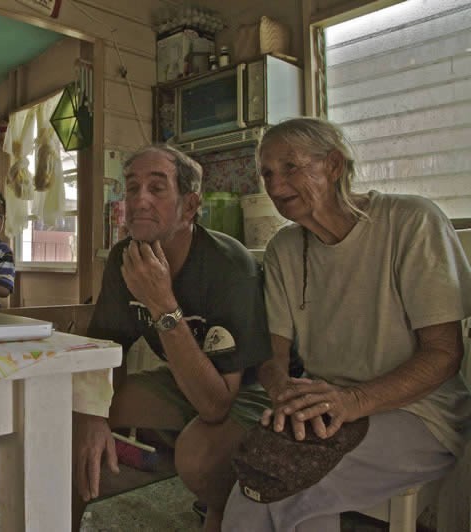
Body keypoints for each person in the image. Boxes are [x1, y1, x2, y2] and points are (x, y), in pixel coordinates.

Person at [223, 117, 471, 531]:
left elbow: (445, 355)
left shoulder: (411, 222)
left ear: (334, 165)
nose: (275, 183)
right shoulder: (285, 248)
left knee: (281, 484)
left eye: (290, 167)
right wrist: (285, 394)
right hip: (328, 410)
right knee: (261, 480)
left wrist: (350, 402)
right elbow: (273, 352)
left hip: (422, 415)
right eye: (267, 172)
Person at [73, 144, 275, 531]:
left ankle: (220, 509)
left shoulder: (229, 266)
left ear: (190, 205)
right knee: (75, 418)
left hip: (247, 390)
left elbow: (216, 404)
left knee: (198, 457)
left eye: (157, 187)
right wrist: (93, 415)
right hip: (182, 381)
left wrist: (162, 304)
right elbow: (105, 350)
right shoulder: (124, 258)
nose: (140, 200)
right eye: (132, 189)